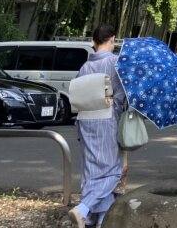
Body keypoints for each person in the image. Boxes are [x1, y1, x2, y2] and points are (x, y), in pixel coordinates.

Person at [68, 25, 126, 228]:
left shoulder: (84, 67)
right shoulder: (116, 63)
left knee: (92, 169)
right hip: (106, 119)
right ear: (112, 39)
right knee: (112, 171)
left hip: (84, 121)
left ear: (94, 42)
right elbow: (119, 97)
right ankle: (84, 208)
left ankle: (98, 218)